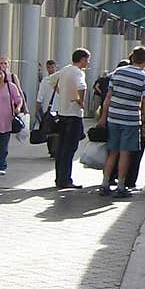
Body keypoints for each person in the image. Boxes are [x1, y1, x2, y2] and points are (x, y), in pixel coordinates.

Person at [96, 47, 145, 199]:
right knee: (125, 153)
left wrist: (103, 117)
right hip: (130, 120)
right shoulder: (144, 77)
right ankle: (121, 187)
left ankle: (104, 184)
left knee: (112, 152)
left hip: (113, 118)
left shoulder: (118, 72)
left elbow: (108, 97)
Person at [52, 49, 90, 190]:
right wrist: (81, 101)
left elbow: (52, 81)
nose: (88, 62)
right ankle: (66, 179)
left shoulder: (65, 70)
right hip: (73, 114)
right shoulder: (78, 72)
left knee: (62, 148)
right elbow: (82, 86)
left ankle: (59, 178)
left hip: (62, 113)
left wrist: (62, 93)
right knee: (70, 148)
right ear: (81, 59)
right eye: (87, 59)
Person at [34, 59, 59, 157]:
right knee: (49, 129)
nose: (51, 69)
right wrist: (37, 109)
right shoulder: (45, 81)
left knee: (56, 129)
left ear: (55, 67)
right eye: (49, 67)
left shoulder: (59, 79)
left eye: (52, 67)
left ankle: (55, 149)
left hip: (58, 108)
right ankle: (51, 149)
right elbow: (40, 96)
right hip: (47, 108)